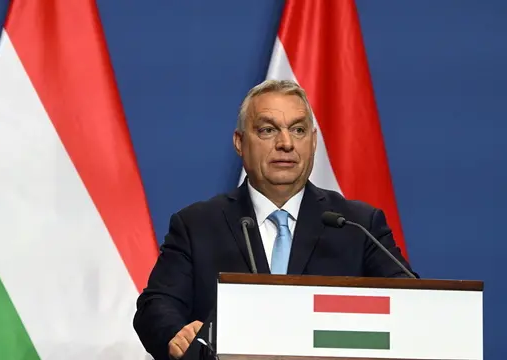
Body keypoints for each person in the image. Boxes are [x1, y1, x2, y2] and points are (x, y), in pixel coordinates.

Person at [133, 79, 415, 360]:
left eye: (299, 130)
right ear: (240, 143)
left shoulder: (358, 224)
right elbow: (156, 306)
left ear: (314, 142)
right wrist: (176, 334)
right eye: (268, 130)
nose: (286, 143)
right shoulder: (197, 225)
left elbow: (412, 303)